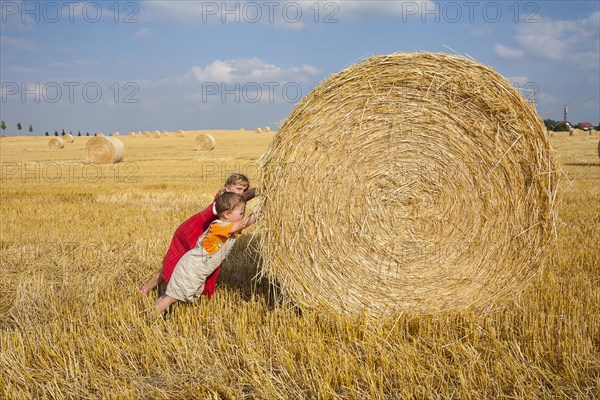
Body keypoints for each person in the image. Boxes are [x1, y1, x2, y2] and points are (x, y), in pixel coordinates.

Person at [140, 174, 256, 297]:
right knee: (175, 264)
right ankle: (148, 290)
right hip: (192, 232)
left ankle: (192, 294)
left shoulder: (233, 201)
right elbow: (243, 198)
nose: (241, 192)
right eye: (238, 188)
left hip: (204, 235)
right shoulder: (223, 200)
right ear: (227, 188)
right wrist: (263, 190)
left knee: (203, 266)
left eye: (244, 189)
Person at [155, 192, 257, 314]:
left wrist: (264, 212)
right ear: (226, 214)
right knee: (172, 297)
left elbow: (245, 223)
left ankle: (155, 309)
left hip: (197, 269)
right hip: (192, 268)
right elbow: (244, 223)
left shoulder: (228, 227)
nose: (243, 215)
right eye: (241, 213)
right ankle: (150, 316)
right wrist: (263, 210)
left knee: (173, 295)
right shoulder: (219, 227)